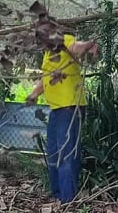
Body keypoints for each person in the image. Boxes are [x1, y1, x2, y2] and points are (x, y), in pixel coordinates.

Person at [25, 20, 98, 203]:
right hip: (57, 109)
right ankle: (57, 196)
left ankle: (67, 200)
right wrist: (33, 95)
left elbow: (76, 47)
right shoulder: (48, 53)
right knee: (53, 154)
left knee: (66, 155)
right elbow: (46, 79)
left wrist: (89, 44)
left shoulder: (64, 41)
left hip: (71, 108)